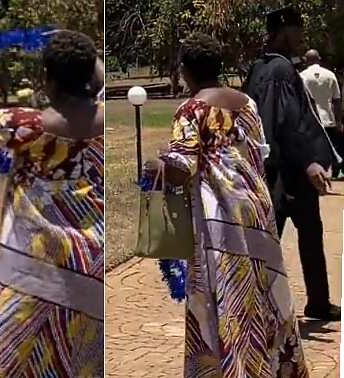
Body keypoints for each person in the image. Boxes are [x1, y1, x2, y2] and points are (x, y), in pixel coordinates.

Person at [146, 33, 308, 375]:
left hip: (219, 216)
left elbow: (182, 168)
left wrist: (156, 166)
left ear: (186, 70)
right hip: (256, 207)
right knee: (266, 291)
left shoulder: (191, 109)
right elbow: (258, 153)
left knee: (225, 296)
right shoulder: (246, 103)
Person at [0, 31, 104, 377]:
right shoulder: (108, 123)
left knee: (16, 365)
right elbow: (100, 79)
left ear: (46, 76)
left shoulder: (25, 127)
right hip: (90, 271)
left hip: (31, 277)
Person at [245, 6, 341, 321]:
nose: (301, 34)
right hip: (285, 171)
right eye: (297, 27)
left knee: (306, 232)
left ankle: (316, 301)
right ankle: (257, 306)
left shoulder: (262, 67)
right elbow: (285, 122)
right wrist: (309, 163)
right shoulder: (279, 71)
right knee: (274, 237)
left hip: (279, 167)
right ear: (284, 29)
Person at [301, 49, 343, 177]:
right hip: (328, 118)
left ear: (306, 60)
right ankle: (335, 171)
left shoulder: (302, 75)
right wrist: (339, 121)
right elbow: (337, 99)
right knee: (331, 147)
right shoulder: (330, 75)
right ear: (319, 59)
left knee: (313, 150)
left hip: (311, 119)